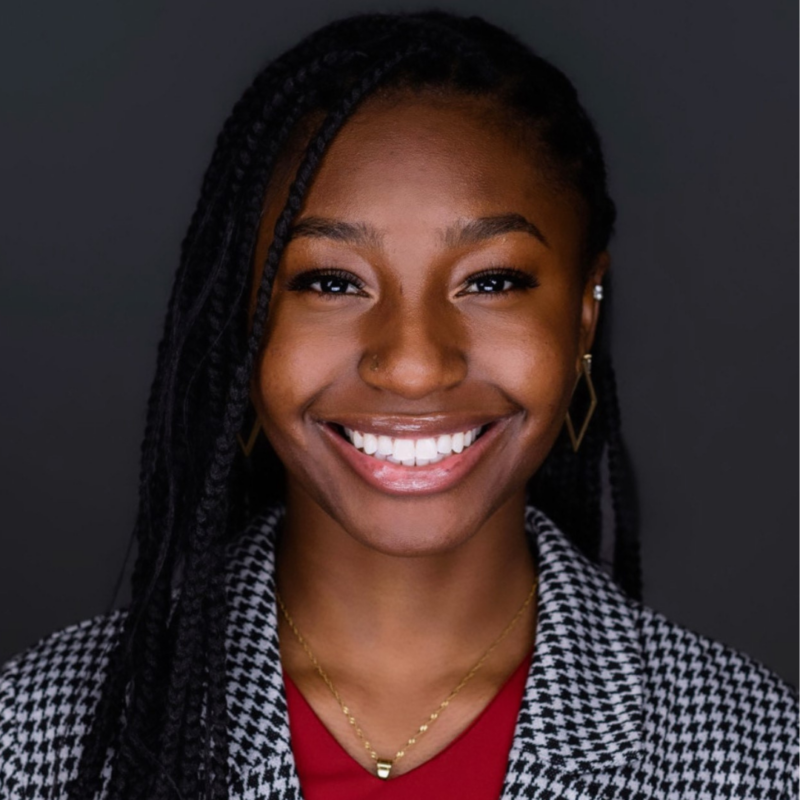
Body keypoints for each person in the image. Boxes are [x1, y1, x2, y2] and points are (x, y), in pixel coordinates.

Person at [0, 10, 796, 800]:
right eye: (330, 281)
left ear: (584, 310)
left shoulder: (755, 753)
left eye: (491, 281)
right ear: (242, 320)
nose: (413, 367)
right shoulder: (34, 738)